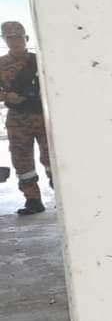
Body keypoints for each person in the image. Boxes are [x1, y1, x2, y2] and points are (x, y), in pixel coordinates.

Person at [0, 21, 50, 215]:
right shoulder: (1, 64)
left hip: (41, 116)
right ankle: (32, 200)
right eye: (10, 38)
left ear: (26, 39)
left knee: (51, 157)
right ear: (4, 40)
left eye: (18, 38)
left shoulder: (39, 61)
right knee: (21, 159)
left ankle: (61, 192)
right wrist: (6, 96)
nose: (15, 42)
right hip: (18, 119)